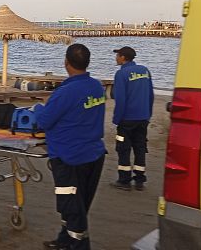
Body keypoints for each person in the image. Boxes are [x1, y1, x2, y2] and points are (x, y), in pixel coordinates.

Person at [34, 44, 106, 250]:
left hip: (70, 158)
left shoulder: (66, 92)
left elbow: (44, 122)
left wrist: (39, 108)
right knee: (78, 205)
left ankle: (78, 244)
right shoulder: (96, 86)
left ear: (66, 63)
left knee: (72, 207)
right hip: (93, 155)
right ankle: (65, 240)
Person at [111, 46, 154, 191]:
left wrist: (117, 119)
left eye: (117, 55)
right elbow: (151, 95)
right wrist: (148, 114)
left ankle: (124, 180)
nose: (116, 58)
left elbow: (120, 99)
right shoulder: (144, 70)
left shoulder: (121, 74)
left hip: (127, 119)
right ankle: (140, 179)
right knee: (140, 147)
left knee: (123, 148)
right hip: (143, 117)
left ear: (123, 57)